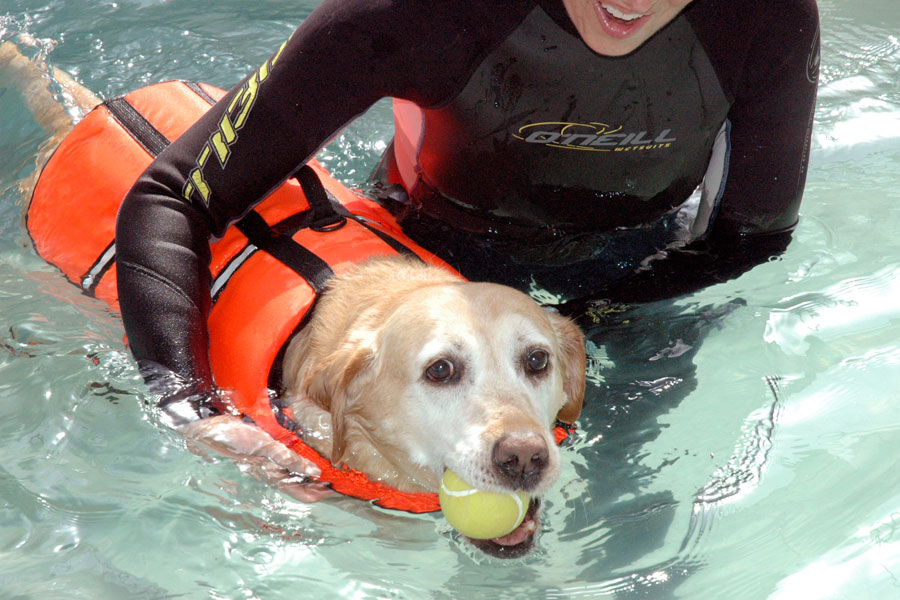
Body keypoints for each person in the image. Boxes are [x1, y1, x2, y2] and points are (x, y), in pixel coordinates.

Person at [115, 0, 820, 412]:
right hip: (427, 249)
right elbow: (169, 198)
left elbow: (750, 237)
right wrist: (190, 409)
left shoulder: (764, 16)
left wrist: (584, 321)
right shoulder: (418, 14)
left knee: (633, 524)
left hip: (638, 279)